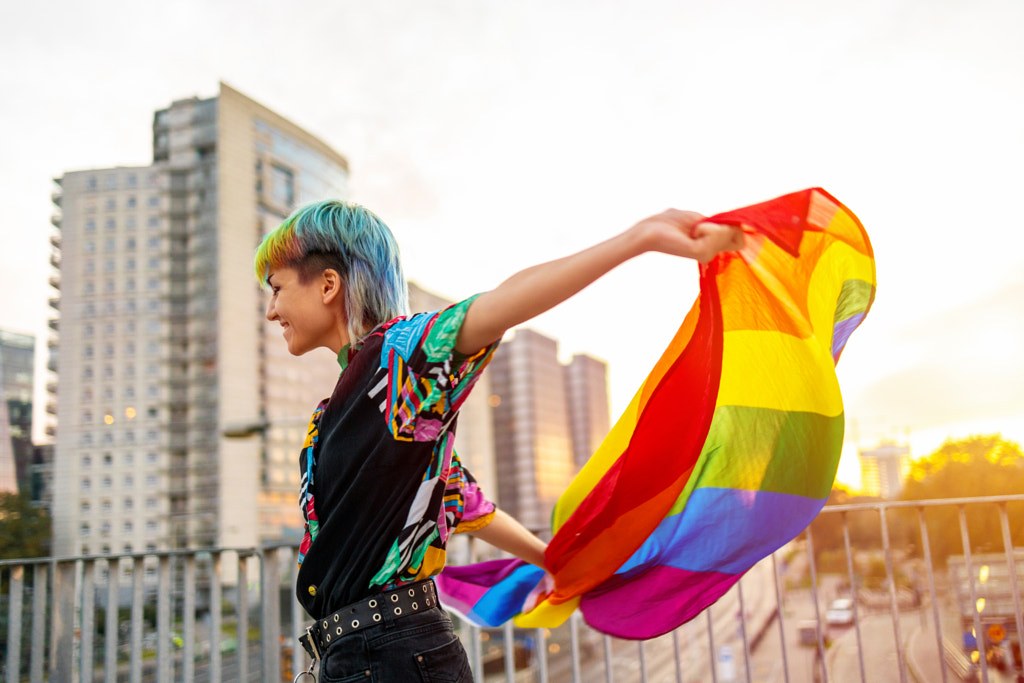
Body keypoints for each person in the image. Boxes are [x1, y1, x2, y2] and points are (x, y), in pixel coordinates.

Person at [254, 200, 743, 682]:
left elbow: (501, 303)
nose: (272, 310)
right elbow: (463, 501)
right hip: (369, 654)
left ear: (327, 284)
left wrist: (640, 239)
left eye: (275, 288)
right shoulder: (341, 409)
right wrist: (554, 563)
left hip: (391, 656)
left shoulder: (398, 361)